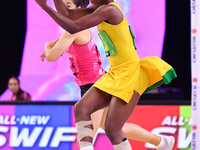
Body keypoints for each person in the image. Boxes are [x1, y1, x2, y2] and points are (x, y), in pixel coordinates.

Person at [36, 0, 177, 150]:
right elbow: (68, 15)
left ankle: (161, 143)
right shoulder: (99, 9)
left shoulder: (110, 11)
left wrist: (45, 6)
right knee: (96, 118)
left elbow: (73, 27)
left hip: (128, 71)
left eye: (69, 3)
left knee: (110, 129)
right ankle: (162, 142)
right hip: (113, 73)